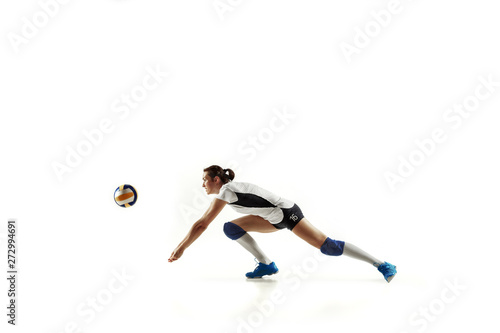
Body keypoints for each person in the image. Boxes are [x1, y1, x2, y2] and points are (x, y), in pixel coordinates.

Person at [168, 165, 397, 282]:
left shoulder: (226, 190)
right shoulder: (229, 190)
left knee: (328, 246)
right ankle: (266, 264)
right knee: (231, 227)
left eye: (204, 181)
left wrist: (181, 247)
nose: (203, 186)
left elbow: (202, 224)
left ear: (216, 179)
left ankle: (382, 265)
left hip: (287, 213)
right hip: (272, 218)